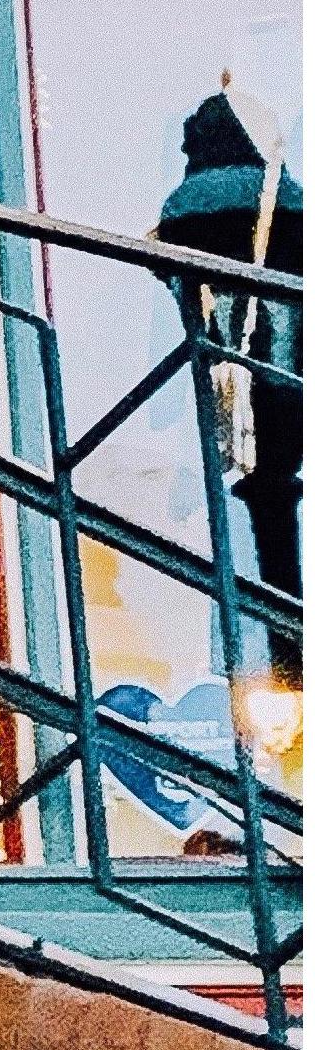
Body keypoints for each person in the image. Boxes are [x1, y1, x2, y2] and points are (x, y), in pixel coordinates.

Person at [159, 86, 303, 684]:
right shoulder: (286, 199)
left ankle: (272, 657)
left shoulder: (186, 208)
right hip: (287, 372)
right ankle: (289, 654)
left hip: (225, 378)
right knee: (274, 494)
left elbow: (165, 259)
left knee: (252, 503)